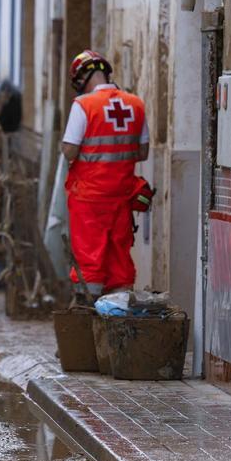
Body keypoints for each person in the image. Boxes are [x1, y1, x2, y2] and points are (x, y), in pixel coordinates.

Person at [62, 50, 149, 300]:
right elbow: (142, 152)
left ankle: (87, 315)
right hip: (122, 197)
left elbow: (70, 150)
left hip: (88, 200)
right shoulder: (135, 104)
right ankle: (118, 318)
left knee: (89, 261)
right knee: (119, 260)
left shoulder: (83, 106)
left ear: (82, 79)